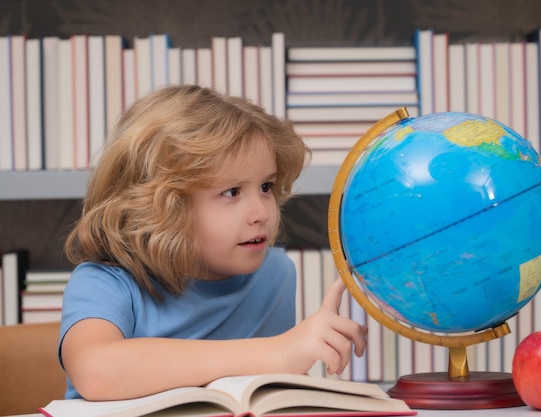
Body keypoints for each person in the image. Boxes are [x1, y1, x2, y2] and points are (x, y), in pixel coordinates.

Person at [59, 85, 368, 401]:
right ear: (163, 206)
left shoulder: (276, 274)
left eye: (266, 186)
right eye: (232, 192)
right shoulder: (105, 282)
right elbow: (96, 372)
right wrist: (280, 352)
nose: (261, 212)